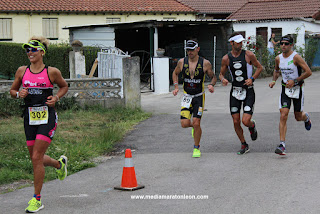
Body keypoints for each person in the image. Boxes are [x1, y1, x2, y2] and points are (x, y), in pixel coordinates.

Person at [10, 36, 69, 213]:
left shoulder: (52, 72)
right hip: (29, 118)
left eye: (33, 49)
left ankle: (36, 199)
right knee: (35, 157)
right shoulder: (22, 71)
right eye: (27, 49)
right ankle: (59, 165)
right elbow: (12, 90)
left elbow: (64, 86)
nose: (30, 52)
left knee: (36, 157)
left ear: (42, 52)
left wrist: (56, 97)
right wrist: (18, 94)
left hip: (47, 117)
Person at [219, 32, 263, 155]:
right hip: (235, 91)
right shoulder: (226, 58)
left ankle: (252, 125)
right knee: (235, 121)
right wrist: (223, 80)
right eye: (238, 42)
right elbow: (221, 74)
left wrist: (252, 79)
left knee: (245, 121)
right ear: (231, 43)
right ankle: (244, 144)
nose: (241, 44)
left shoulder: (248, 55)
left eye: (241, 42)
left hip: (248, 90)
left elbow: (259, 67)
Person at [172, 39, 216, 158]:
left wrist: (211, 85)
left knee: (197, 122)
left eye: (192, 49)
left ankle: (196, 148)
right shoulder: (182, 62)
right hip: (187, 97)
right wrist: (176, 87)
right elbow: (175, 73)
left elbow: (213, 77)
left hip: (198, 97)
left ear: (198, 49)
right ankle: (194, 128)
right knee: (184, 124)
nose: (190, 52)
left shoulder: (205, 63)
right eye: (188, 50)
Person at [269, 34, 312, 155]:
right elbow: (276, 70)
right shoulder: (278, 58)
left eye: (286, 44)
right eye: (282, 43)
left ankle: (306, 117)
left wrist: (295, 81)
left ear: (291, 45)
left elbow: (308, 72)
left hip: (297, 88)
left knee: (298, 117)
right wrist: (273, 80)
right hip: (285, 89)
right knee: (283, 114)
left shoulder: (296, 57)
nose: (283, 45)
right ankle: (282, 144)